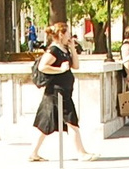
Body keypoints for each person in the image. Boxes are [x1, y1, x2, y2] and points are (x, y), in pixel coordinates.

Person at [29, 22, 97, 161]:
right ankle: (81, 153)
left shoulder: (63, 50)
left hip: (63, 91)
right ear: (61, 34)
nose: (70, 36)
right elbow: (43, 66)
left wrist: (72, 48)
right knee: (71, 121)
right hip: (56, 92)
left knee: (45, 123)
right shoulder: (53, 50)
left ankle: (33, 153)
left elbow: (76, 66)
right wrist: (59, 69)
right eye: (68, 33)